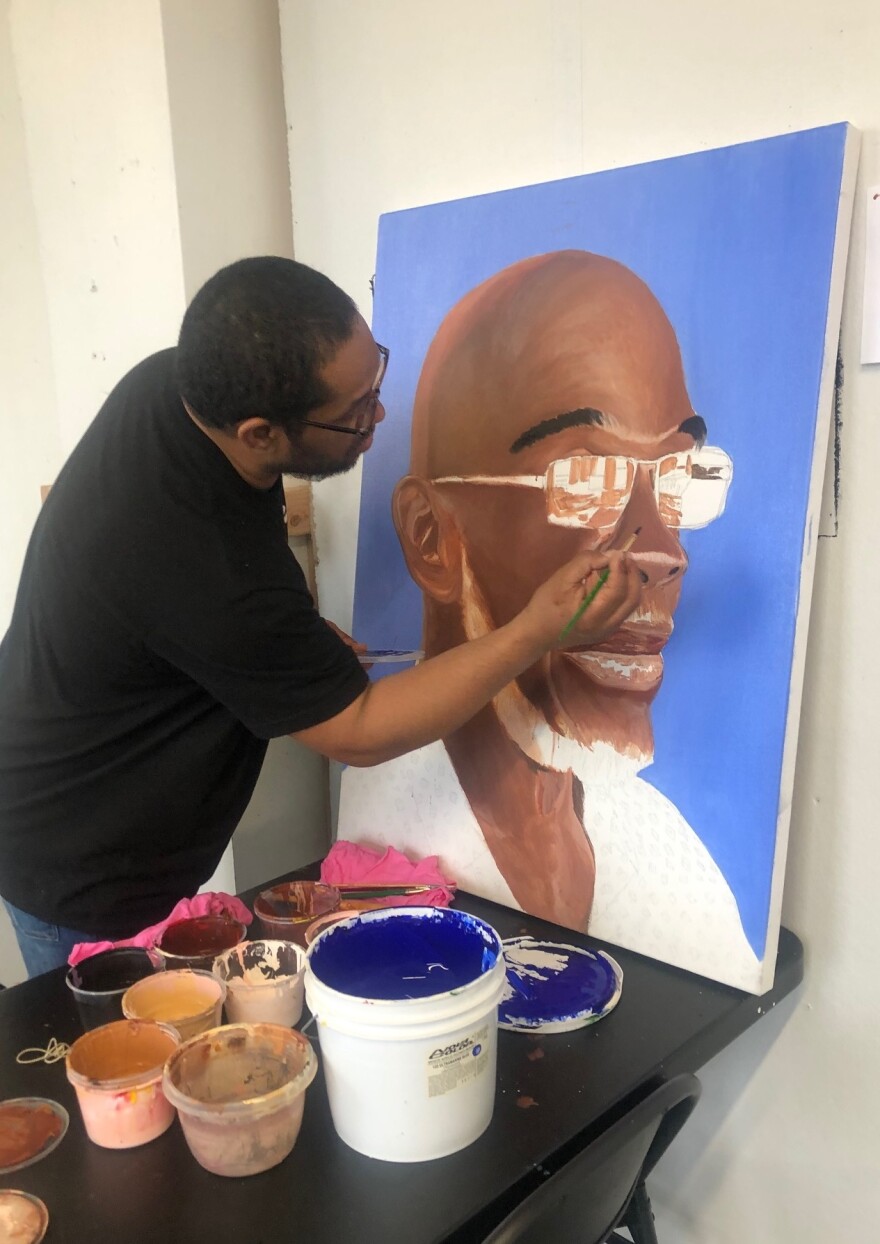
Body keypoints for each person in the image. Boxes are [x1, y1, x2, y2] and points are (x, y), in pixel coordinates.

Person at [0, 255, 642, 977]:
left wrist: (289, 649)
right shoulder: (207, 566)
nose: (380, 415)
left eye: (377, 378)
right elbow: (359, 731)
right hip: (85, 872)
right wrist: (533, 631)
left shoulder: (176, 386)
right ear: (259, 434)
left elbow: (207, 601)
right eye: (356, 412)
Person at [339, 250, 759, 988]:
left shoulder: (677, 872)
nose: (662, 552)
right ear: (433, 539)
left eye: (678, 476)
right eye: (586, 479)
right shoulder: (386, 844)